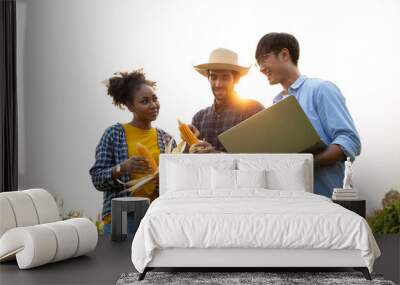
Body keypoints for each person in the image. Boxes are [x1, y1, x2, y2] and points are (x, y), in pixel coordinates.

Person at [255, 32, 361, 197]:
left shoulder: (320, 89)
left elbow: (349, 141)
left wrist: (305, 163)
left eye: (263, 59)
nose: (261, 68)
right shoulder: (275, 106)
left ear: (284, 54)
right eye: (258, 64)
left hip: (326, 201)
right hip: (290, 202)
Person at [89, 69, 175, 235]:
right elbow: (97, 178)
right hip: (123, 216)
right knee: (121, 261)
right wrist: (122, 168)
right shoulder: (114, 134)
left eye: (155, 99)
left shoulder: (167, 139)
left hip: (156, 216)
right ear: (130, 106)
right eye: (145, 101)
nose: (153, 105)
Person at [189, 48, 264, 153]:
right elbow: (189, 159)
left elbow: (261, 156)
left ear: (236, 79)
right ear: (208, 79)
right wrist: (188, 142)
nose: (218, 84)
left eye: (225, 78)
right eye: (213, 77)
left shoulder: (253, 110)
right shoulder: (199, 118)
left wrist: (216, 155)